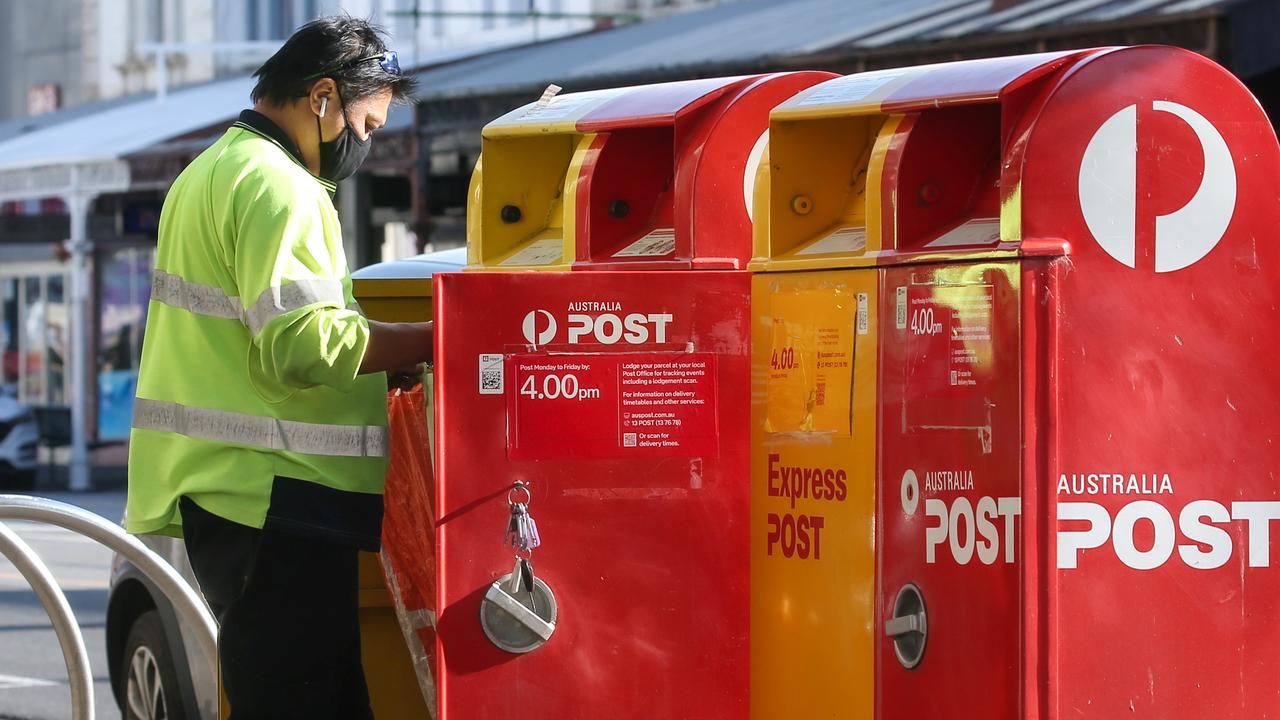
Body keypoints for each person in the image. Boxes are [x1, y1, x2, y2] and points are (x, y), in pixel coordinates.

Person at [126, 16, 428, 719]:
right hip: (279, 500)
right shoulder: (283, 189)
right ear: (323, 97)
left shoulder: (209, 171)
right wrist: (430, 339)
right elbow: (303, 343)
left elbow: (253, 339)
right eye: (369, 123)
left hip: (230, 495)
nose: (366, 142)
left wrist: (383, 362)